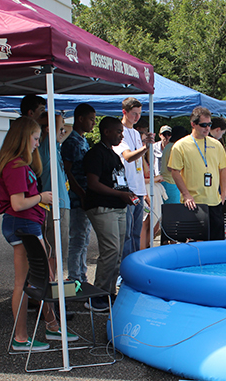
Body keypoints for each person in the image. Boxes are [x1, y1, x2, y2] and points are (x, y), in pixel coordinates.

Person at [0, 116, 78, 351]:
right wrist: (42, 197)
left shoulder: (15, 164)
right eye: (35, 138)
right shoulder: (17, 166)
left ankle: (50, 325)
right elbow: (18, 203)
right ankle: (21, 337)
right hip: (24, 225)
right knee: (28, 282)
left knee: (42, 277)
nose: (37, 143)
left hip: (25, 224)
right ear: (24, 138)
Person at [83, 116, 137, 311]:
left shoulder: (114, 155)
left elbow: (118, 180)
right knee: (111, 250)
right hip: (102, 207)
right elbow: (93, 184)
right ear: (106, 132)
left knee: (118, 251)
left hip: (119, 206)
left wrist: (127, 193)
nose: (121, 135)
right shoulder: (96, 154)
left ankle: (107, 293)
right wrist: (119, 194)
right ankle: (97, 296)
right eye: (118, 132)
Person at [168, 107, 226, 240]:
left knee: (217, 242)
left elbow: (223, 168)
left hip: (214, 202)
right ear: (193, 124)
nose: (207, 128)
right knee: (196, 242)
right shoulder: (180, 146)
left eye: (209, 125)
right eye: (203, 125)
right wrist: (186, 194)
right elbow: (175, 171)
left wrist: (223, 193)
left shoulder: (216, 144)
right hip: (193, 202)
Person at [114, 98, 155, 259]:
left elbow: (139, 163)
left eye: (139, 113)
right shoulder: (120, 132)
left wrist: (144, 191)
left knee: (136, 232)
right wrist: (145, 147)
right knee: (127, 234)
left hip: (138, 189)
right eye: (134, 114)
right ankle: (124, 270)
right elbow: (128, 157)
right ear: (125, 112)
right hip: (127, 189)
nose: (137, 117)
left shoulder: (136, 133)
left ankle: (134, 266)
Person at [61, 104, 96, 284]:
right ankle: (75, 277)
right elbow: (68, 172)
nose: (93, 123)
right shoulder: (71, 142)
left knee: (84, 238)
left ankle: (82, 274)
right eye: (91, 119)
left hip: (85, 195)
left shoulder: (83, 141)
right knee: (77, 239)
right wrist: (81, 194)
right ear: (80, 118)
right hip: (76, 199)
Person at [37, 114, 71, 279]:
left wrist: (60, 126)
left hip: (62, 204)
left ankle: (51, 284)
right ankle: (48, 286)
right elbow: (57, 119)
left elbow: (67, 130)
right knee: (52, 251)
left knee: (58, 251)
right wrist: (58, 116)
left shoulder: (56, 148)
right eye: (60, 129)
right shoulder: (46, 147)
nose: (62, 132)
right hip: (54, 206)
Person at [160, 126, 187, 205]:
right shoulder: (175, 147)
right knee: (173, 210)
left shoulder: (169, 146)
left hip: (166, 182)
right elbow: (171, 167)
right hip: (171, 182)